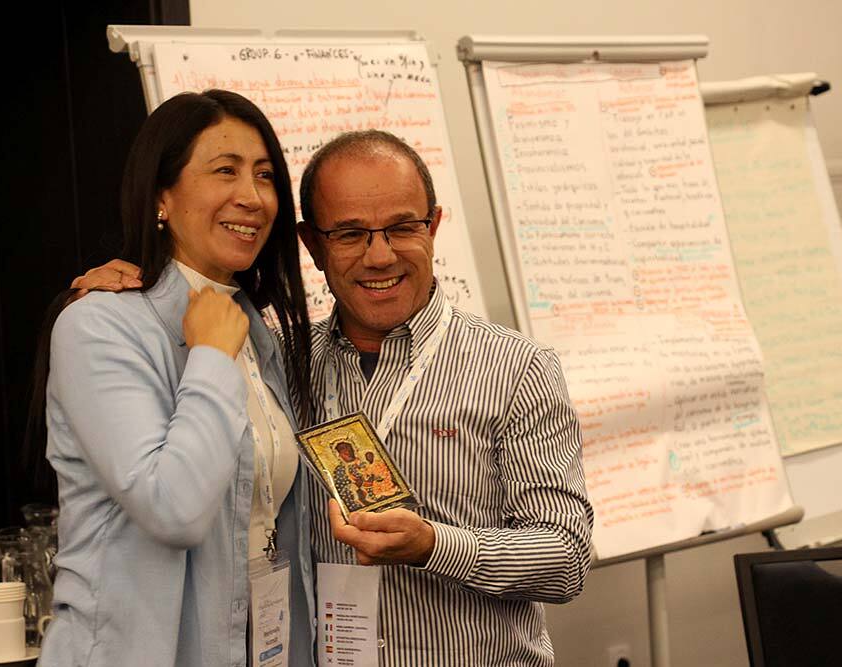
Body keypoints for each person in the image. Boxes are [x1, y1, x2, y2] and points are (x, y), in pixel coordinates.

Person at [74, 129, 593, 666]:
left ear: (434, 226)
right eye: (349, 234)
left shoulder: (517, 368)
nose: (380, 256)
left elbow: (568, 557)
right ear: (313, 245)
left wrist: (435, 545)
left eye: (402, 228)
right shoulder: (277, 364)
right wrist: (130, 299)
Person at [40, 90, 315, 667]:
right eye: (225, 171)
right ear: (160, 196)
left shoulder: (259, 332)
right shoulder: (100, 324)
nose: (252, 197)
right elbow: (174, 508)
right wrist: (209, 357)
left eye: (265, 175)